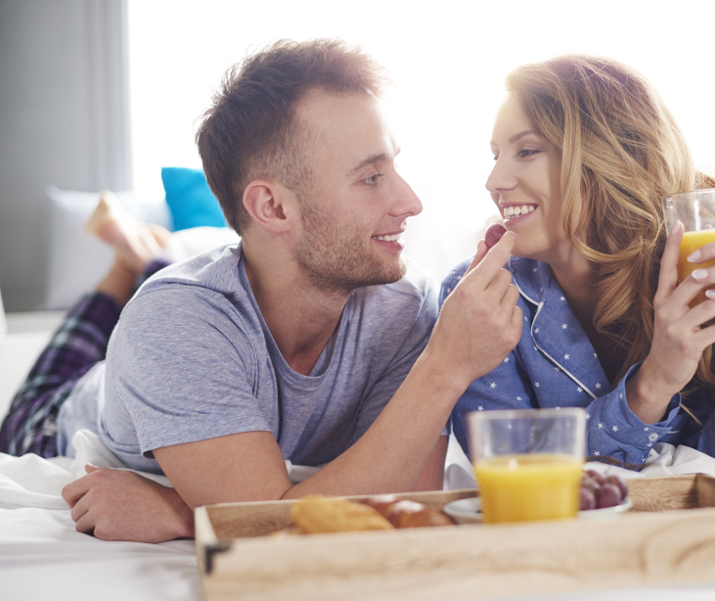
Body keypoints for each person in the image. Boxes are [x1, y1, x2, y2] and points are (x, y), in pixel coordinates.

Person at [0, 39, 522, 542]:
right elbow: (270, 520)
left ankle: (147, 255)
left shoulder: (405, 306)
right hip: (57, 419)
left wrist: (187, 514)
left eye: (395, 166)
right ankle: (127, 267)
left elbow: (398, 504)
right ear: (272, 207)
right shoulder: (172, 323)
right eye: (370, 178)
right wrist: (444, 366)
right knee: (71, 354)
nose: (410, 202)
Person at [441, 55, 715, 481]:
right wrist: (652, 385)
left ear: (607, 157)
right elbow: (517, 481)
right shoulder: (476, 300)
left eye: (527, 151)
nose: (493, 180)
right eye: (496, 155)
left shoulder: (700, 267)